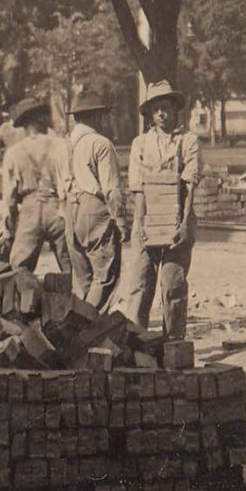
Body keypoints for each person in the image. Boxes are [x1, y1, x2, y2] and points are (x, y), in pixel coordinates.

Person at [124, 81, 202, 339]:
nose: (161, 114)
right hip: (146, 222)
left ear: (174, 110)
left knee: (173, 285)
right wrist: (140, 226)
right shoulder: (140, 144)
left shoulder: (188, 141)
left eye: (165, 108)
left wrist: (183, 223)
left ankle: (173, 345)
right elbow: (138, 188)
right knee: (140, 285)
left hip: (178, 223)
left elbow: (190, 183)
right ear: (149, 113)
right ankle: (138, 345)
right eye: (156, 109)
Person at [63, 93, 125, 311]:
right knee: (105, 275)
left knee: (81, 279)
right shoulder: (101, 144)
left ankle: (77, 325)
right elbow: (111, 188)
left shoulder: (64, 145)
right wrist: (121, 220)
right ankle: (83, 327)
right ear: (97, 117)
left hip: (70, 209)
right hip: (94, 208)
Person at [1, 96, 70, 274]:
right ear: (41, 119)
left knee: (19, 267)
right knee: (70, 265)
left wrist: (10, 226)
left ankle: (25, 299)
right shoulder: (61, 145)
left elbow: (9, 197)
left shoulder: (14, 152)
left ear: (24, 124)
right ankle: (75, 300)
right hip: (58, 209)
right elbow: (69, 180)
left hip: (30, 210)